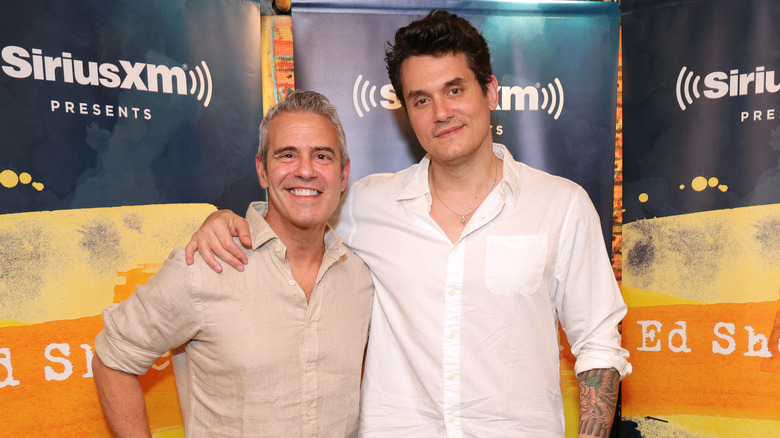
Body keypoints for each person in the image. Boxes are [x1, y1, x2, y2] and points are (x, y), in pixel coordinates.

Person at [186, 10, 631, 438]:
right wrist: (226, 221)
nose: (440, 112)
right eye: (422, 99)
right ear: (406, 111)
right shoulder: (365, 204)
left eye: (454, 90)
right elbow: (295, 211)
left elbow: (598, 344)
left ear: (490, 92)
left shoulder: (561, 205)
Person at [92, 90, 374, 437]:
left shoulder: (360, 278)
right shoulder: (206, 265)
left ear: (343, 174)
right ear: (262, 171)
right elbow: (113, 357)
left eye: (322, 156)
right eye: (287, 155)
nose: (305, 170)